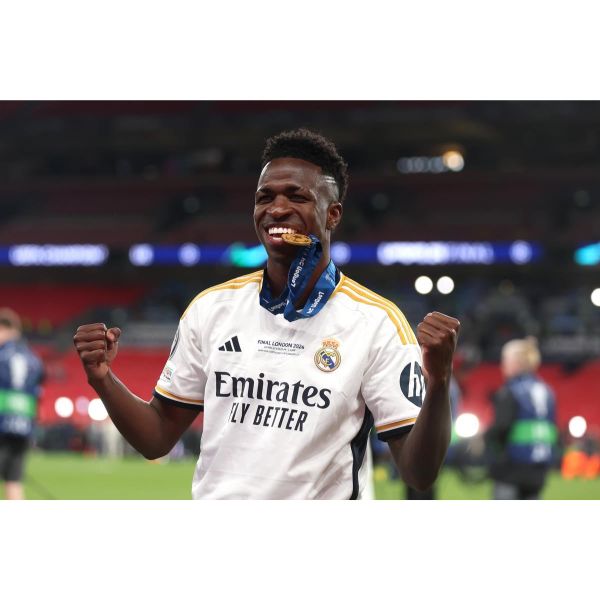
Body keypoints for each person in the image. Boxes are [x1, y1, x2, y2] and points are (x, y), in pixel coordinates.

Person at [73, 129, 460, 499]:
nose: (276, 209)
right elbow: (156, 436)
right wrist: (103, 379)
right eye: (265, 197)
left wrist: (439, 381)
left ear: (333, 215)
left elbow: (419, 473)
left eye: (297, 196)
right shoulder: (211, 309)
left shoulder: (377, 323)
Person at [485, 336, 557, 500]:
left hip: (511, 469)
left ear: (517, 363)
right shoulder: (547, 391)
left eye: (505, 360)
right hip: (539, 470)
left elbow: (502, 427)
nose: (502, 365)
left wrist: (486, 439)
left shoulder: (510, 391)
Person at [0, 308, 44, 500]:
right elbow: (38, 391)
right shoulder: (33, 358)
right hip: (24, 425)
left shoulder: (2, 355)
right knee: (14, 481)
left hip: (2, 422)